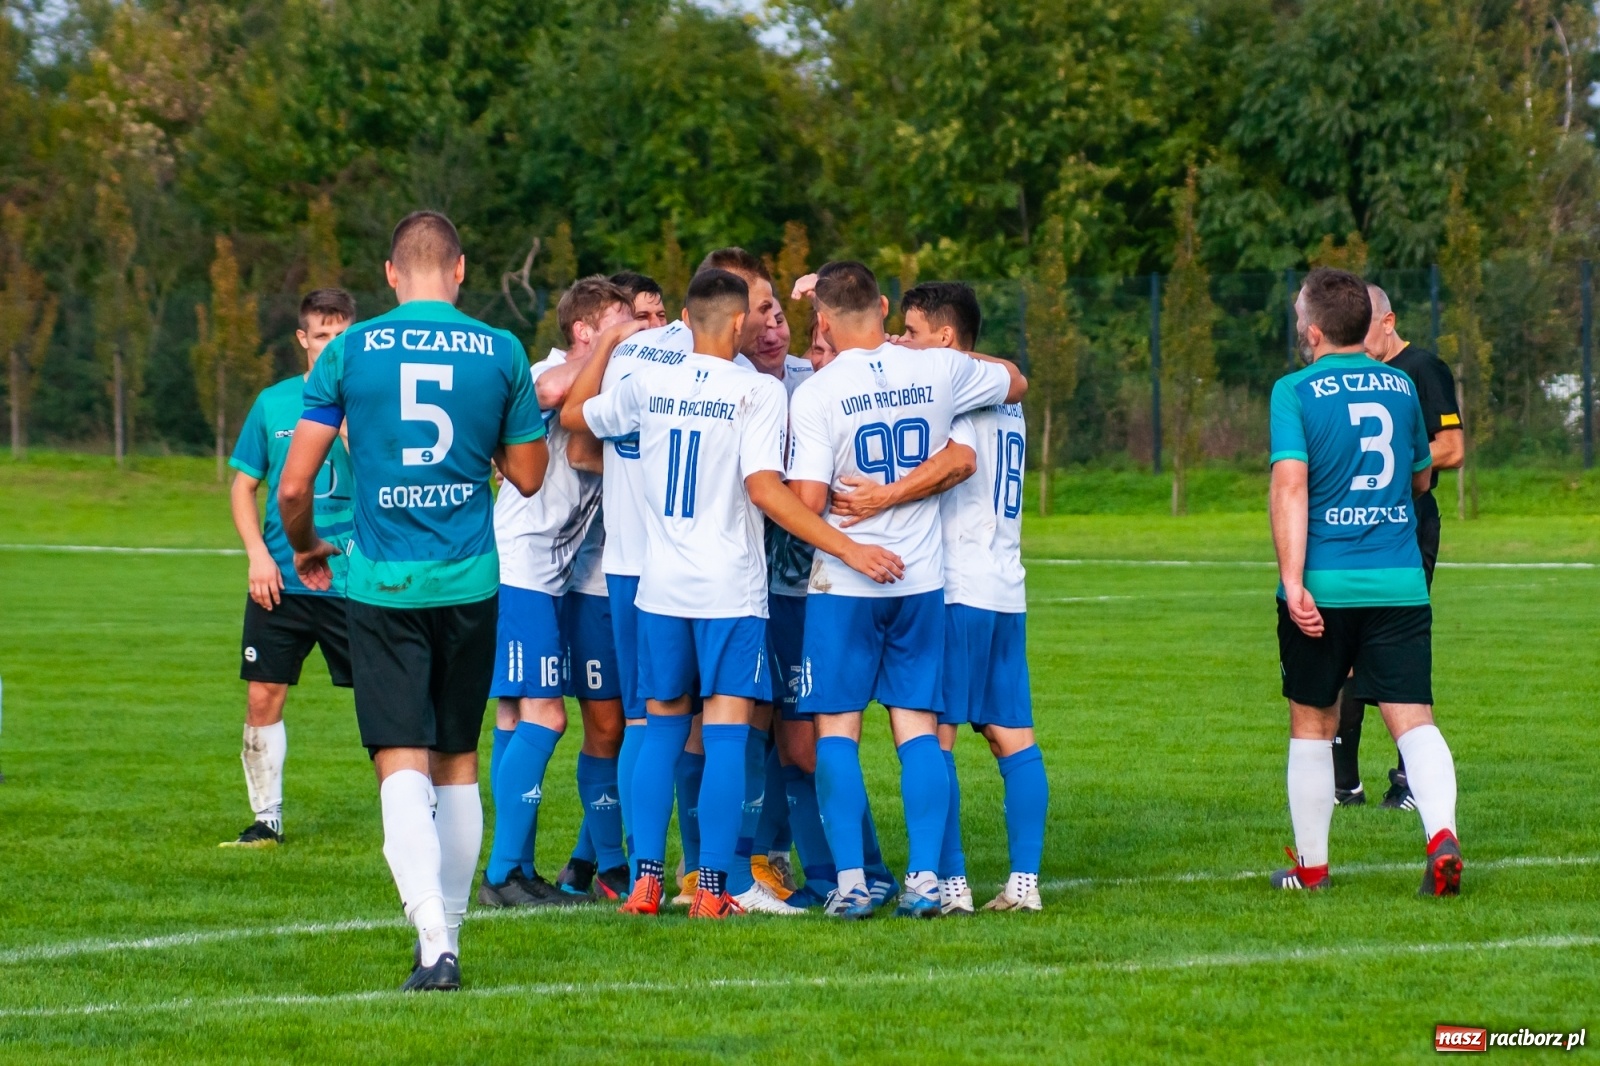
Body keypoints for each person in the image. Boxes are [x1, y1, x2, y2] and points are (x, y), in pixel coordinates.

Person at [562, 267, 905, 918]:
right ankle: (714, 890)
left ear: (687, 321)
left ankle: (645, 881)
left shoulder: (651, 380)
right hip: (728, 590)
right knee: (725, 733)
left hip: (658, 587)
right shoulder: (755, 392)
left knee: (659, 729)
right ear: (740, 324)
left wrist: (606, 349)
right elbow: (765, 490)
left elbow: (578, 414)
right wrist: (847, 546)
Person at [280, 210, 549, 991]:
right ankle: (452, 936)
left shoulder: (349, 349)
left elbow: (295, 483)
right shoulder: (501, 350)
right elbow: (529, 476)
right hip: (469, 580)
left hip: (384, 583)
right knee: (457, 759)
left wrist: (302, 545)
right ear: (460, 270)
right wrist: (487, 441)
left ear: (391, 274)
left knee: (399, 756)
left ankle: (433, 942)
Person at [786, 261, 1027, 919]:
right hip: (920, 581)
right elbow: (1015, 379)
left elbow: (808, 502)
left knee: (837, 728)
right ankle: (923, 881)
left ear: (825, 324)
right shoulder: (937, 368)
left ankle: (854, 883)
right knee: (915, 728)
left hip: (846, 582)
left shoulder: (817, 393)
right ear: (886, 308)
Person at [1268, 266, 1461, 897]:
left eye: (1301, 319)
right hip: (1399, 582)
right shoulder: (1403, 389)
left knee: (1313, 724)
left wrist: (1293, 581)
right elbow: (1422, 478)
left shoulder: (1293, 391)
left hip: (1325, 586)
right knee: (1415, 720)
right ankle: (1440, 836)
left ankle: (1313, 870)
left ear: (1315, 332)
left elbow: (1291, 485)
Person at [479, 276, 635, 908]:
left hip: (546, 572)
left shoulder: (601, 380)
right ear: (585, 331)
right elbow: (544, 391)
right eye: (621, 324)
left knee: (516, 716)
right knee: (548, 714)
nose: (631, 337)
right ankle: (500, 873)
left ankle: (515, 869)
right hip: (523, 568)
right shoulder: (553, 369)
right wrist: (611, 348)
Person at [221, 288, 357, 848]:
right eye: (322, 334)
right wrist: (257, 555)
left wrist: (354, 432)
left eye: (342, 334)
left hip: (356, 580)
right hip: (281, 580)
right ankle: (266, 821)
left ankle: (414, 808)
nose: (331, 344)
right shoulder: (274, 402)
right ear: (303, 339)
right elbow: (243, 486)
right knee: (262, 697)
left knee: (387, 696)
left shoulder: (373, 405)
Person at [1333, 283, 1465, 809]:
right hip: (1359, 527)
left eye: (1365, 329)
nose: (1358, 344)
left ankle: (1410, 783)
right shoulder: (1357, 375)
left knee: (1387, 655)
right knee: (1343, 651)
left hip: (1408, 526)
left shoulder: (1422, 368)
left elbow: (1452, 449)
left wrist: (1398, 461)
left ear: (1388, 322)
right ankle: (1345, 785)